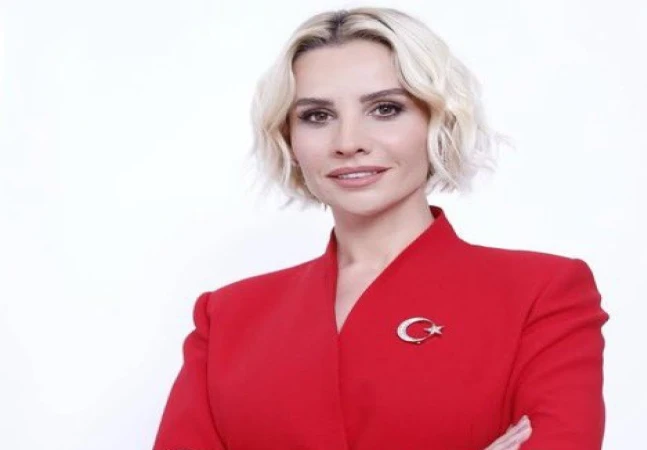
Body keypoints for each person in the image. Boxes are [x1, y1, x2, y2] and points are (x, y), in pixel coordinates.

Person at [153, 7, 609, 450]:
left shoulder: (541, 294)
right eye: (317, 116)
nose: (348, 142)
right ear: (288, 138)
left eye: (385, 109)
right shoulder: (228, 317)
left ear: (438, 121)